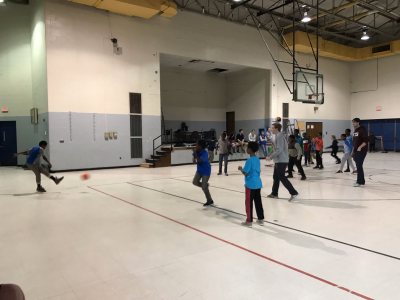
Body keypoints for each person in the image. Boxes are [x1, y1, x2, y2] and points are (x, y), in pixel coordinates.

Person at [266, 123, 299, 202]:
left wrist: (270, 157)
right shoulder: (277, 136)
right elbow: (275, 148)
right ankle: (274, 193)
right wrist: (270, 154)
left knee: (281, 177)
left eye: (272, 128)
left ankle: (294, 192)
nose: (271, 129)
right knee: (276, 177)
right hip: (278, 160)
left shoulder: (279, 136)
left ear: (277, 128)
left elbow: (279, 149)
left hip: (282, 160)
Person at [238, 142, 264, 227]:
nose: (246, 149)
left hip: (250, 185)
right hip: (258, 183)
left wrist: (241, 169)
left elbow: (245, 173)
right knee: (258, 202)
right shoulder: (257, 159)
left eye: (247, 147)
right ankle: (260, 219)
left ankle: (249, 221)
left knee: (249, 203)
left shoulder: (249, 160)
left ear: (250, 149)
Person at [192, 140, 214, 206]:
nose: (196, 146)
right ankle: (205, 185)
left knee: (204, 187)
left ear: (200, 146)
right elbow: (194, 161)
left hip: (206, 170)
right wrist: (194, 156)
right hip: (199, 170)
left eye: (197, 145)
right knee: (194, 182)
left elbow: (200, 161)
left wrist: (195, 155)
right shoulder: (197, 151)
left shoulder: (204, 153)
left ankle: (209, 200)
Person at [352, 118, 368, 187]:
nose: (353, 124)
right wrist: (353, 151)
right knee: (359, 166)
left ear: (358, 122)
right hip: (355, 151)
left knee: (359, 166)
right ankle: (361, 181)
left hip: (361, 151)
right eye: (352, 122)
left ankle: (359, 182)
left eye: (354, 122)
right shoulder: (355, 130)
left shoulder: (362, 130)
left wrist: (360, 147)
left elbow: (365, 141)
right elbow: (355, 142)